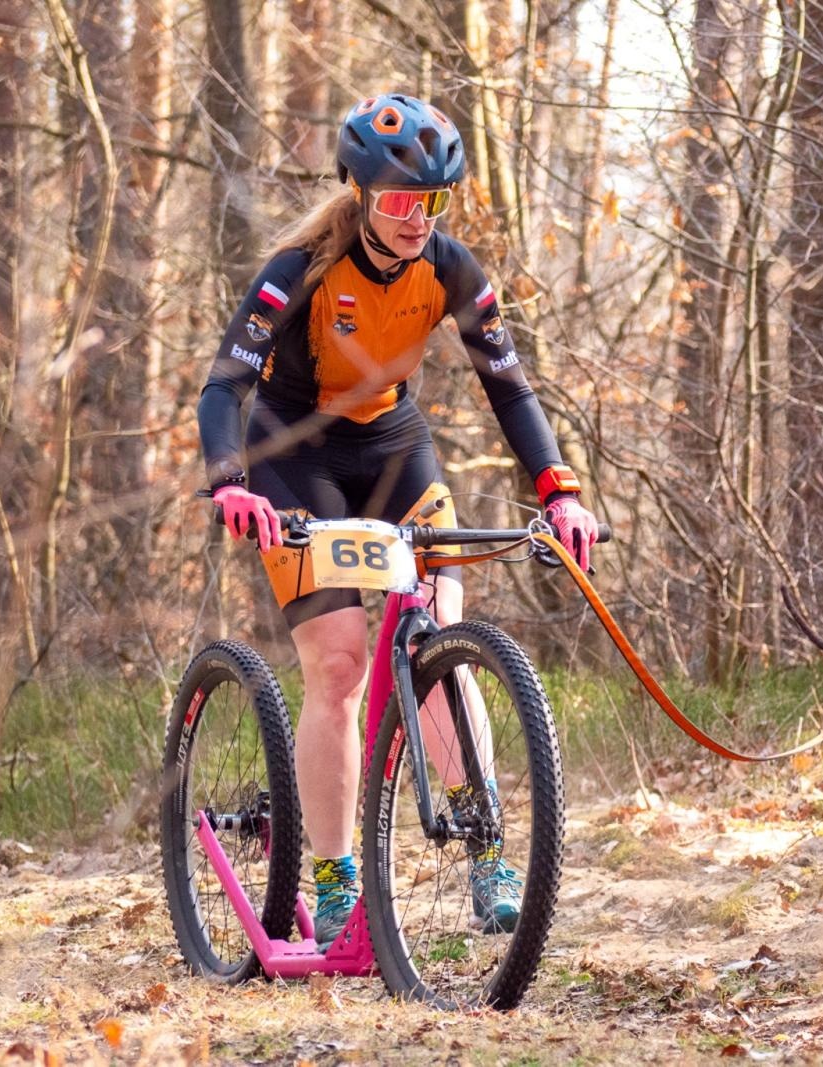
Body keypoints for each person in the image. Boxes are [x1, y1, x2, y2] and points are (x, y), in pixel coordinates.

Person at [197, 92, 599, 945]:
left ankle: (487, 852)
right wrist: (229, 481)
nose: (419, 220)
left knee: (445, 645)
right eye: (402, 201)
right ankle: (338, 879)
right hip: (294, 451)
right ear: (363, 194)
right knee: (339, 666)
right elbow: (224, 384)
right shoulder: (298, 267)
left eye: (434, 202)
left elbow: (509, 387)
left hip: (391, 446)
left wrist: (558, 490)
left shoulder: (452, 271)